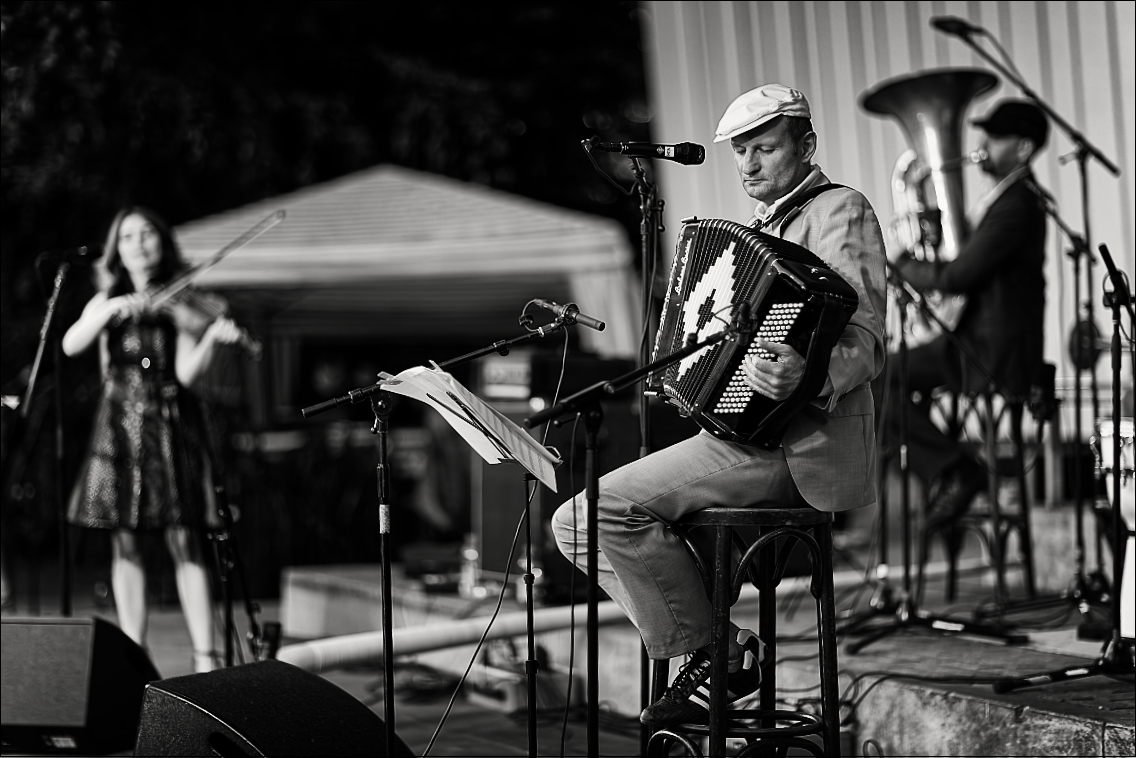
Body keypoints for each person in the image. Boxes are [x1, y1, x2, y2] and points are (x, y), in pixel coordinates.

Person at [551, 84, 887, 726]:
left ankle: (717, 656)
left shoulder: (840, 210)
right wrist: (687, 372)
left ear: (807, 145)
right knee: (576, 525)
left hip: (800, 443)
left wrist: (808, 379)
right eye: (740, 154)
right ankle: (719, 648)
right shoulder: (759, 233)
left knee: (598, 513)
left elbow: (868, 339)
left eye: (764, 148)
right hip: (743, 436)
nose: (750, 165)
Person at [63, 207, 244, 673]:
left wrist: (209, 341)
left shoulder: (180, 302)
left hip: (167, 425)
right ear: (116, 248)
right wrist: (109, 309)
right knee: (124, 541)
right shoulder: (107, 297)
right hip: (119, 425)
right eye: (128, 236)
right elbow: (71, 344)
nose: (139, 242)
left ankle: (206, 656)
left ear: (161, 242)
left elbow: (185, 373)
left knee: (185, 536)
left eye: (147, 233)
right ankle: (133, 658)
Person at [884, 99, 1049, 528]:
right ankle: (950, 467)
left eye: (996, 137)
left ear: (1025, 148)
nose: (983, 144)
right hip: (972, 339)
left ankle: (954, 468)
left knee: (876, 380)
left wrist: (902, 263)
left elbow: (960, 275)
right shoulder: (1004, 200)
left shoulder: (1018, 204)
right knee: (874, 377)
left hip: (991, 351)